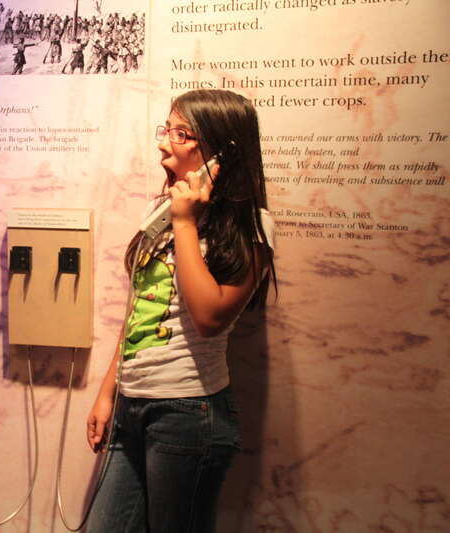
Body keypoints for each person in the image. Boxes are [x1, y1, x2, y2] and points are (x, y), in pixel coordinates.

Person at [86, 89, 276, 533]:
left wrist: (186, 221)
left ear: (220, 151)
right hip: (133, 404)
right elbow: (140, 308)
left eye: (181, 133)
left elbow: (210, 318)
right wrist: (108, 391)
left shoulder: (252, 224)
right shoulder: (159, 208)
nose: (163, 142)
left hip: (189, 411)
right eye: (166, 129)